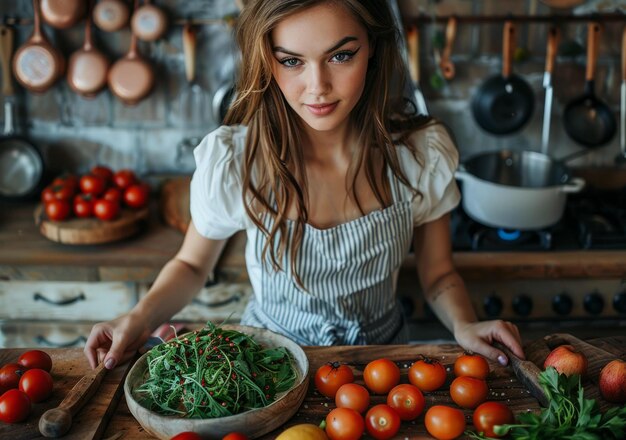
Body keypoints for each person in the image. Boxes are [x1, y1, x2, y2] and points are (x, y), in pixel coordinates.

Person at [84, 0, 525, 370]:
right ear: (266, 60)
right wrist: (138, 319)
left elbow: (439, 273)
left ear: (372, 48)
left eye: (340, 56)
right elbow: (193, 266)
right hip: (268, 368)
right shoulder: (238, 161)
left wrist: (465, 325)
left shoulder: (418, 155)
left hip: (382, 365)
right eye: (292, 61)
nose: (318, 88)